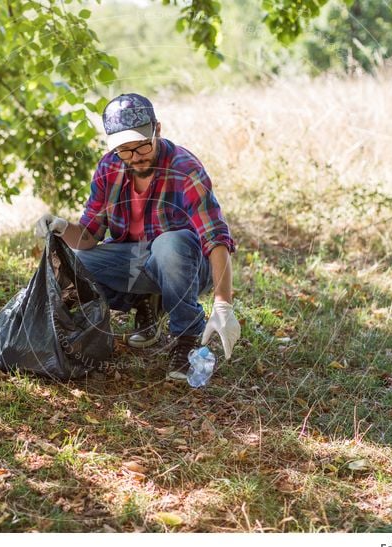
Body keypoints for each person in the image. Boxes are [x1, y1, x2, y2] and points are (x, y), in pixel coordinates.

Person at [36, 93, 240, 381]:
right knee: (78, 262)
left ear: (157, 129)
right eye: (124, 150)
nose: (135, 157)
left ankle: (185, 337)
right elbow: (89, 236)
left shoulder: (184, 169)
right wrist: (60, 226)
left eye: (142, 146)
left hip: (188, 265)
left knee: (170, 243)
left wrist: (223, 304)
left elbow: (216, 237)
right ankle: (144, 302)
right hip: (135, 262)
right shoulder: (109, 167)